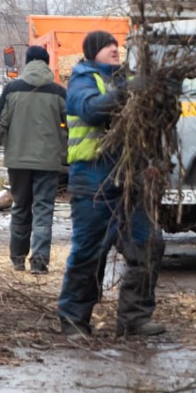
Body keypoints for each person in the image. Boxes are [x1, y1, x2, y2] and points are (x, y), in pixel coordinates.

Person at [57, 30, 166, 340]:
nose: (115, 49)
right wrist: (127, 92)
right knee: (90, 252)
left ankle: (134, 318)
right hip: (93, 178)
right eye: (107, 46)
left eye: (116, 45)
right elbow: (90, 110)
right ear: (92, 52)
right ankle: (74, 319)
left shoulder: (123, 80)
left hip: (130, 178)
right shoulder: (82, 79)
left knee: (148, 245)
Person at [0, 45, 67, 274]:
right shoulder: (59, 93)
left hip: (17, 161)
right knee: (43, 209)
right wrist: (68, 159)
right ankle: (39, 261)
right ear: (47, 63)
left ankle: (18, 258)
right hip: (48, 162)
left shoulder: (12, 89)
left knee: (21, 207)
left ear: (28, 63)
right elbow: (70, 129)